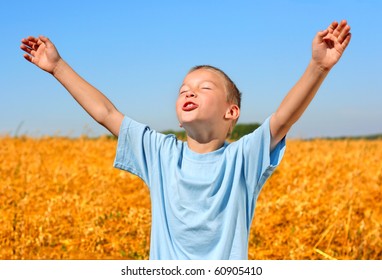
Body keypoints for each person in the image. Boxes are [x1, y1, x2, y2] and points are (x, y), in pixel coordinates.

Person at [20, 20, 351, 259]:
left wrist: (318, 68)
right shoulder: (159, 152)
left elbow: (283, 118)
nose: (189, 91)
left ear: (231, 112)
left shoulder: (243, 159)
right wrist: (58, 66)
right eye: (183, 90)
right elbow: (106, 113)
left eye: (205, 87)